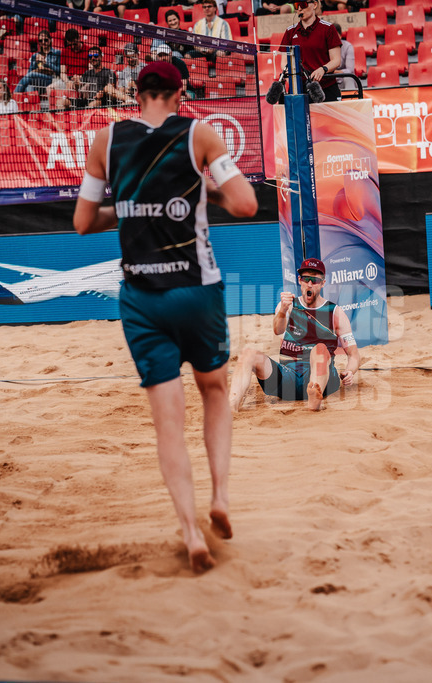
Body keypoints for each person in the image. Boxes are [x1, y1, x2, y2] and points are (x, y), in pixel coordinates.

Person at [73, 61, 258, 573]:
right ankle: (220, 497)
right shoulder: (199, 133)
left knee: (167, 428)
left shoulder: (104, 141)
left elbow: (83, 222)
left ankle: (191, 531)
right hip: (196, 290)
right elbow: (245, 205)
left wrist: (129, 208)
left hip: (142, 295)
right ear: (180, 93)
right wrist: (206, 189)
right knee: (215, 391)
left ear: (137, 94)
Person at [230, 258, 360, 412]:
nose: (310, 284)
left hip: (321, 377)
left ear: (323, 283)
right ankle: (231, 406)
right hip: (288, 376)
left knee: (319, 349)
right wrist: (283, 310)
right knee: (248, 354)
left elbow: (353, 355)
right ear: (300, 280)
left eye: (315, 280)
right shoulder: (288, 305)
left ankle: (314, 401)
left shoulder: (335, 313)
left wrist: (350, 372)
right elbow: (277, 330)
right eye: (306, 279)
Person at [281, 0, 342, 101]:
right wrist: (290, 76)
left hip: (326, 87)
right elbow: (284, 62)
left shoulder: (328, 28)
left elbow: (336, 60)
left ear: (314, 5)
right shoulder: (290, 31)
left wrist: (323, 69)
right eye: (296, 5)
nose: (299, 9)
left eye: (303, 4)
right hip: (299, 89)